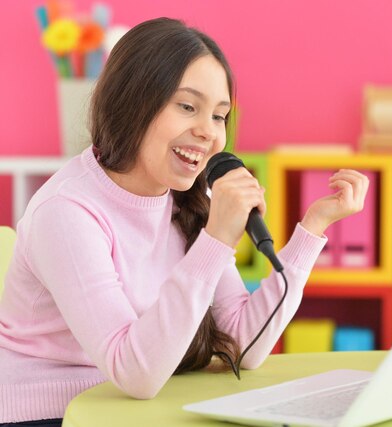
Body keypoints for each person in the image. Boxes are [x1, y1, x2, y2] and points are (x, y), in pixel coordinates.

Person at [0, 17, 369, 426]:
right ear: (132, 103)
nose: (208, 134)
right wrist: (216, 239)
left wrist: (312, 229)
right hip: (51, 413)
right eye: (188, 107)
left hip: (136, 407)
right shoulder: (66, 211)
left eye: (219, 116)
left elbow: (243, 346)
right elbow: (134, 372)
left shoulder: (187, 199)